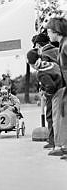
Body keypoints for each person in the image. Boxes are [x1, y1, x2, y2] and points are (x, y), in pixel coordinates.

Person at [27, 48, 63, 156]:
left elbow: (50, 86)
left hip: (58, 94)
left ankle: (58, 145)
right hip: (64, 89)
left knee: (55, 120)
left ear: (32, 64)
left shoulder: (41, 73)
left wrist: (47, 94)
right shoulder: (51, 64)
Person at [45, 17, 67, 158]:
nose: (48, 34)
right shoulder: (62, 44)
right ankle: (65, 146)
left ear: (56, 31)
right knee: (64, 114)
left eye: (48, 31)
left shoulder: (66, 45)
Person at [34, 32, 59, 149]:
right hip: (62, 84)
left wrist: (44, 90)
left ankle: (53, 141)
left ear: (39, 44)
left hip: (53, 89)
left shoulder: (44, 54)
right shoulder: (58, 49)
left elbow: (46, 74)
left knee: (50, 115)